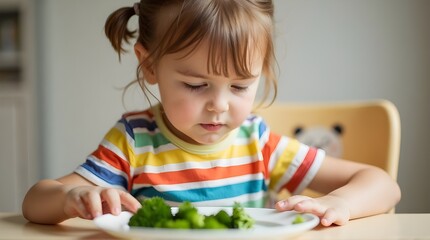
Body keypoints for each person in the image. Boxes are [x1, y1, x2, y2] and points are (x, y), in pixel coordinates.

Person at [22, 0, 400, 226]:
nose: (219, 105)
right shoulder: (134, 140)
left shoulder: (258, 142)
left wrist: (340, 203)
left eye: (239, 87)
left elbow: (382, 184)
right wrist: (70, 200)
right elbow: (36, 201)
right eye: (195, 85)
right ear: (150, 64)